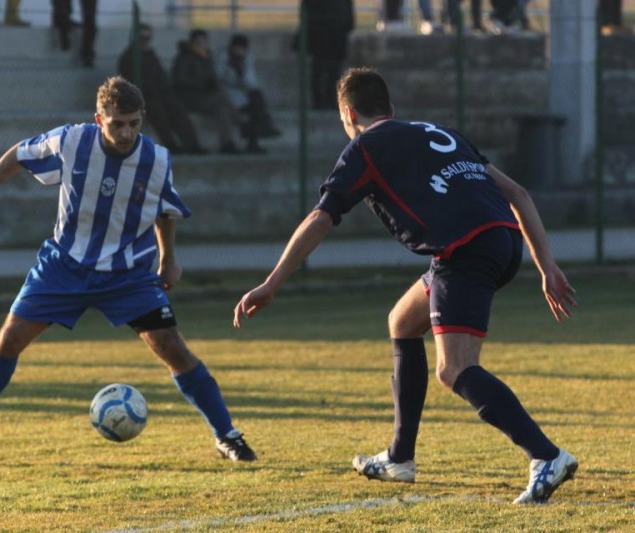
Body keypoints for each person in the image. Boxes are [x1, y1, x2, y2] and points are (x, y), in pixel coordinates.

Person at [233, 67, 578, 504]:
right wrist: (546, 266)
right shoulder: (442, 132)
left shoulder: (365, 145)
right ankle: (399, 458)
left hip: (465, 250)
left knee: (453, 369)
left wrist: (271, 282)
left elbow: (321, 217)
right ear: (391, 110)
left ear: (348, 113)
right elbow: (520, 194)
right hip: (501, 240)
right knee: (402, 320)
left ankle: (546, 455)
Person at [0, 76, 257, 466]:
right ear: (98, 119)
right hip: (63, 266)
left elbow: (165, 210)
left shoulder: (157, 159)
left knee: (173, 348)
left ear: (143, 119)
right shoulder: (72, 141)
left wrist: (167, 257)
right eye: (116, 123)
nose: (126, 133)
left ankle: (227, 435)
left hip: (127, 274)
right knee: (8, 341)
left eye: (133, 124)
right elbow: (20, 153)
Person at [118, 23, 208, 155]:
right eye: (142, 37)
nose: (145, 41)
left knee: (178, 109)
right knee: (158, 112)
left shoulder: (151, 55)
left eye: (147, 37)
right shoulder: (128, 57)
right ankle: (170, 144)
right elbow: (130, 81)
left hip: (161, 94)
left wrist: (166, 92)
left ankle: (192, 144)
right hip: (143, 97)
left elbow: (161, 78)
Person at [172, 29, 244, 154]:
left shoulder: (207, 56)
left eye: (204, 42)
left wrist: (212, 83)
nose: (201, 45)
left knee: (222, 109)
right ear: (192, 42)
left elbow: (212, 76)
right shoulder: (184, 57)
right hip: (189, 97)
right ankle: (241, 120)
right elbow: (180, 79)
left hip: (205, 97)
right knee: (221, 97)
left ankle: (227, 143)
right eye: (198, 42)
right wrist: (202, 84)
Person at [216, 33, 280, 152]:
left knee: (256, 101)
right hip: (228, 95)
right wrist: (235, 71)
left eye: (241, 48)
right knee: (255, 108)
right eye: (236, 47)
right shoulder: (223, 58)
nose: (238, 50)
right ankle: (265, 126)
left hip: (244, 95)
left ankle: (254, 141)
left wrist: (242, 74)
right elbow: (220, 76)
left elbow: (251, 81)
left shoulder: (247, 59)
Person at [300, 0, 354, 110]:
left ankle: (323, 100)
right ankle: (323, 100)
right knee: (327, 70)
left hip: (326, 34)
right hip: (327, 34)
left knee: (328, 70)